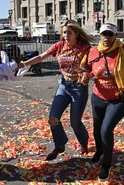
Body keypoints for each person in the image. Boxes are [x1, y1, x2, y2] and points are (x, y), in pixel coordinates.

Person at [18, 20, 93, 160]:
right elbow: (41, 57)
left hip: (79, 88)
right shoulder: (59, 46)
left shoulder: (85, 48)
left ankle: (84, 142)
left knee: (75, 122)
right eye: (64, 32)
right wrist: (23, 64)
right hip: (64, 86)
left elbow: (92, 66)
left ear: (76, 33)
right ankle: (60, 145)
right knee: (53, 118)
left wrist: (87, 76)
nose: (65, 35)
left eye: (69, 33)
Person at [82, 23, 124, 181]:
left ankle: (106, 164)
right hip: (98, 97)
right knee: (96, 129)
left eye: (110, 34)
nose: (106, 37)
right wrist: (86, 75)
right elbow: (87, 68)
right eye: (104, 34)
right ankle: (100, 151)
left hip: (120, 98)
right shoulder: (93, 51)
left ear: (115, 36)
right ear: (99, 35)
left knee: (105, 129)